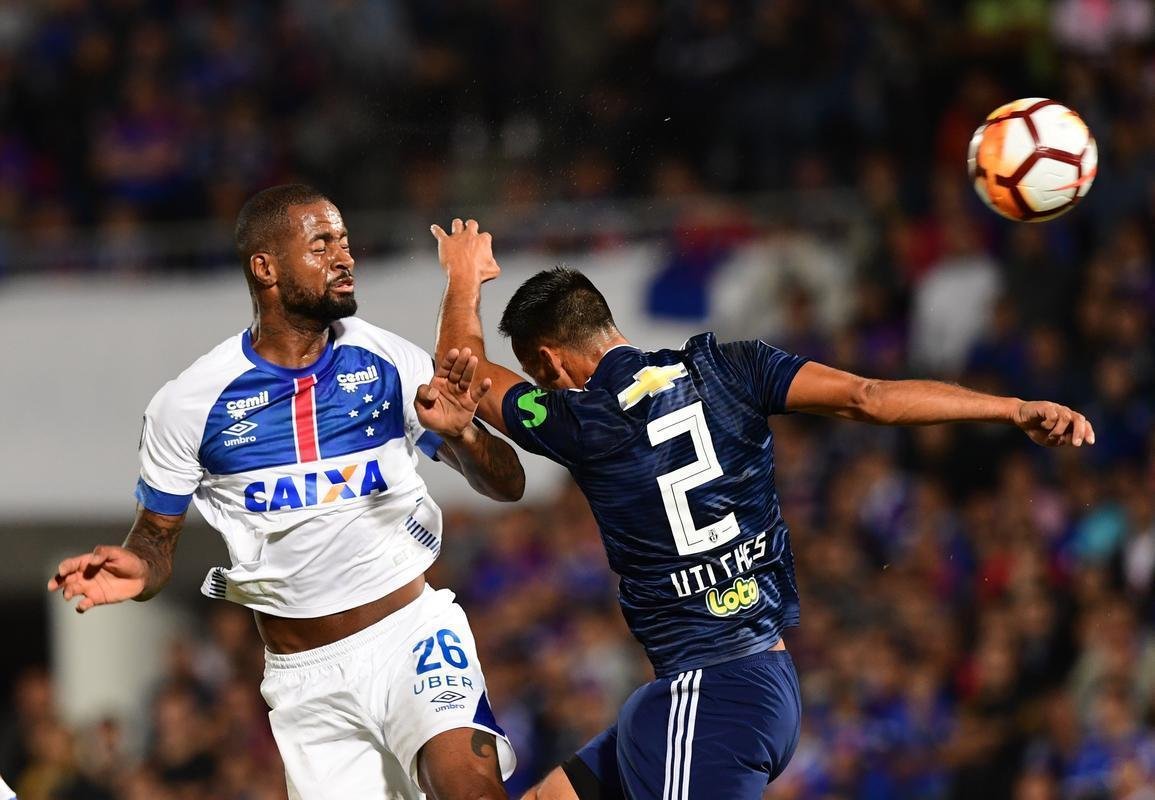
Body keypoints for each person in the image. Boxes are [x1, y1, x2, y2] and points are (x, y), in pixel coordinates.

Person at [428, 219, 1096, 800]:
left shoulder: (582, 419)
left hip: (711, 691)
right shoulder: (734, 366)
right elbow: (869, 396)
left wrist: (465, 279)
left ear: (549, 361)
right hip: (749, 684)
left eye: (539, 373)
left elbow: (462, 373)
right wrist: (1008, 407)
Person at [48, 186, 524, 800]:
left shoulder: (388, 364)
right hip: (306, 682)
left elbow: (507, 483)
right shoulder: (189, 406)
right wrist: (139, 568)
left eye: (345, 242)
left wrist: (462, 437)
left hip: (413, 634)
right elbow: (156, 538)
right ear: (265, 268)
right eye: (321, 244)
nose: (344, 257)